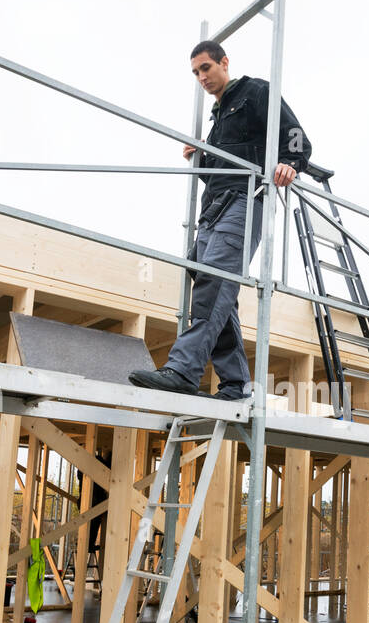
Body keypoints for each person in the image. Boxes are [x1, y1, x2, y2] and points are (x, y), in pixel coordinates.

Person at [128, 39, 312, 399]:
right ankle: (237, 383)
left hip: (246, 201)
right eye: (196, 73)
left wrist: (291, 163)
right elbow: (215, 174)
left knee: (215, 282)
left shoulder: (256, 91)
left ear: (224, 62)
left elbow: (295, 134)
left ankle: (183, 368)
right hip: (212, 209)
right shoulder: (216, 120)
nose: (201, 77)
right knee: (212, 286)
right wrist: (199, 158)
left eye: (206, 68)